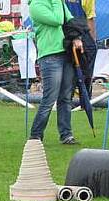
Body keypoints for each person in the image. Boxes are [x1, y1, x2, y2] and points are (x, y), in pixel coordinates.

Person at [27, 0, 81, 145]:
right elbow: (58, 20)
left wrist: (76, 37)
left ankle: (66, 134)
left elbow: (70, 21)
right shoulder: (36, 5)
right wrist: (58, 2)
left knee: (65, 97)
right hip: (50, 55)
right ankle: (35, 134)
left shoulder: (57, 3)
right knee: (49, 98)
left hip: (66, 52)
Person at [64, 0, 98, 94]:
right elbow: (90, 18)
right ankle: (85, 100)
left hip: (66, 33)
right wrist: (93, 40)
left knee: (69, 69)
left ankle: (67, 100)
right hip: (83, 33)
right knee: (86, 71)